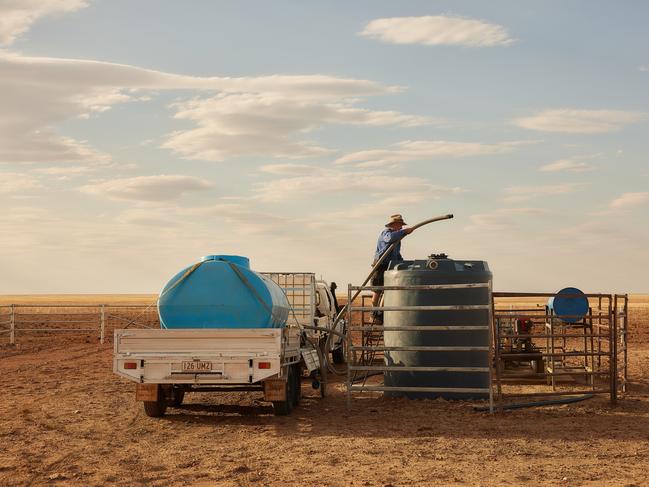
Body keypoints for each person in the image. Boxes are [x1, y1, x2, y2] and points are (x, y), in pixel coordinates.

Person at [371, 214, 413, 320]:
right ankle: (374, 313)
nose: (401, 227)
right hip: (381, 265)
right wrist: (404, 232)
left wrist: (405, 264)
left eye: (402, 226)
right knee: (377, 290)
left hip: (390, 266)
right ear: (393, 224)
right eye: (400, 225)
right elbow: (390, 239)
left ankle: (381, 313)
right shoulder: (387, 233)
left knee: (388, 290)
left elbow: (397, 255)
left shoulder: (397, 240)